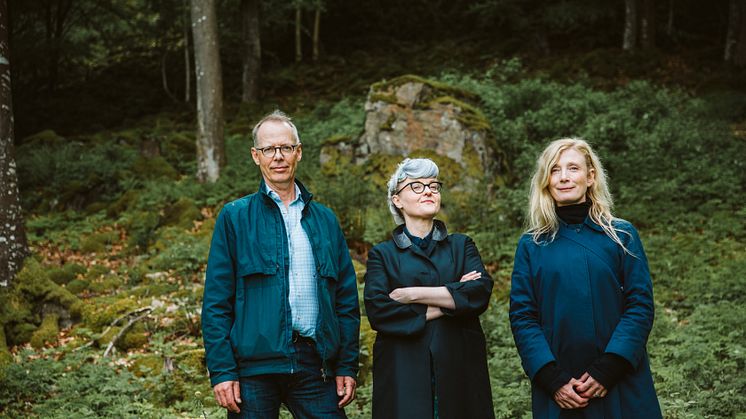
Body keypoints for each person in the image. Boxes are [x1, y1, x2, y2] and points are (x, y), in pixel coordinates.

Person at [201, 110, 360, 418]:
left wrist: (346, 364)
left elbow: (345, 300)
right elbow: (216, 302)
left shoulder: (325, 220)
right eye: (269, 149)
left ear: (298, 153)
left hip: (314, 363)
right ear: (255, 156)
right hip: (253, 368)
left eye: (285, 148)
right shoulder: (235, 217)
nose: (278, 156)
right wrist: (222, 370)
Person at [509, 138, 662, 418]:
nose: (564, 177)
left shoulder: (622, 235)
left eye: (573, 168)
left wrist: (610, 367)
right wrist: (551, 378)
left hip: (619, 380)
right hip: (561, 388)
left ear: (590, 176)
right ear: (546, 180)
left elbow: (640, 306)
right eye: (555, 170)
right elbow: (523, 316)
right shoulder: (532, 245)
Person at [363, 158, 495, 419]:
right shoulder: (383, 254)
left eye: (434, 186)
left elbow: (479, 293)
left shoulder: (461, 245)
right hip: (403, 372)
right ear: (397, 200)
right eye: (417, 186)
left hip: (459, 369)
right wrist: (452, 299)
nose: (428, 191)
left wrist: (413, 294)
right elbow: (379, 310)